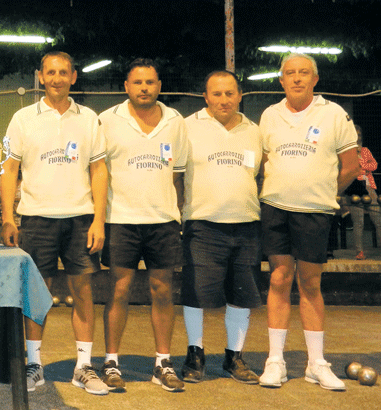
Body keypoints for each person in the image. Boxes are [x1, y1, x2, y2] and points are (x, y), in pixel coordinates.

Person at [1, 51, 110, 396]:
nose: (58, 78)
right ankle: (34, 364)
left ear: (74, 77)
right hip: (36, 218)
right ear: (40, 76)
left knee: (83, 292)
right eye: (51, 72)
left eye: (64, 72)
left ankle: (83, 366)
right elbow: (10, 170)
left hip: (80, 219)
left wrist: (99, 220)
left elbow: (99, 170)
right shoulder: (22, 118)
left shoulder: (89, 118)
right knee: (37, 295)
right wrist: (7, 216)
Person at [257, 53, 359, 391]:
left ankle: (317, 364)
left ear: (314, 80)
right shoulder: (269, 115)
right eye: (290, 73)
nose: (297, 78)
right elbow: (266, 162)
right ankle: (276, 362)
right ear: (281, 80)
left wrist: (322, 194)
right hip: (275, 207)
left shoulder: (334, 114)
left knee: (311, 284)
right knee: (279, 279)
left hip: (315, 212)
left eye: (304, 73)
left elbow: (350, 166)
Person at [98, 58, 188, 392]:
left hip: (163, 222)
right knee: (118, 290)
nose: (144, 88)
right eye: (137, 82)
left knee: (163, 291)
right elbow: (98, 173)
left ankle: (162, 363)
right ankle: (110, 362)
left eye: (150, 82)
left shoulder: (176, 122)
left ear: (159, 86)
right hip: (120, 219)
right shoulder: (107, 120)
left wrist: (174, 213)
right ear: (126, 87)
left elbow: (177, 175)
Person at [179, 71, 261, 384]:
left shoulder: (254, 130)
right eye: (216, 94)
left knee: (242, 295)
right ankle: (195, 354)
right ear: (206, 97)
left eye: (229, 93)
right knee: (195, 293)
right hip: (203, 223)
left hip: (246, 224)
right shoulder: (188, 127)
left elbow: (258, 171)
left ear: (240, 95)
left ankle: (234, 357)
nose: (223, 100)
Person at [345, 125, 381, 260]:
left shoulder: (365, 151)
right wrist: (361, 167)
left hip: (369, 185)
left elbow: (374, 165)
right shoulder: (348, 152)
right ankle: (359, 251)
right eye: (356, 134)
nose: (358, 137)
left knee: (378, 219)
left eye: (359, 135)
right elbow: (350, 168)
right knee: (358, 221)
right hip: (355, 187)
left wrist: (362, 166)